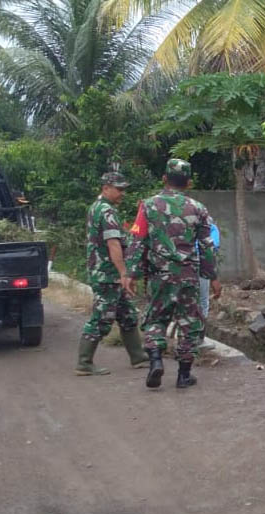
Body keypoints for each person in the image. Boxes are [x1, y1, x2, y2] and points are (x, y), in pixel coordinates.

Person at [127, 158, 220, 389]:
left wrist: (131, 273)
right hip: (188, 274)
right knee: (189, 322)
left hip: (159, 275)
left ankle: (156, 361)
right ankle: (184, 375)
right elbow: (207, 246)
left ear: (164, 179)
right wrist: (213, 277)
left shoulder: (147, 206)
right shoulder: (198, 209)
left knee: (156, 319)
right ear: (188, 183)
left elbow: (137, 240)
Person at [75, 171, 149, 376]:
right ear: (105, 188)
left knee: (127, 315)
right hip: (107, 274)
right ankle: (84, 362)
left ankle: (138, 357)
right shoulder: (106, 211)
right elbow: (113, 244)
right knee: (101, 317)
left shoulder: (97, 207)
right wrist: (124, 273)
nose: (122, 193)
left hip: (107, 272)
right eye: (118, 189)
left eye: (123, 189)